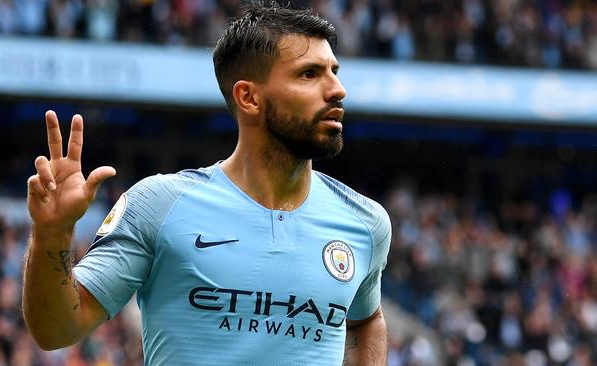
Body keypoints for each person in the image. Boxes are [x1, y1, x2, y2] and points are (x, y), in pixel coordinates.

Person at [22, 2, 392, 365]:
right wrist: (51, 233)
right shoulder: (160, 206)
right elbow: (56, 330)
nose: (337, 89)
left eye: (334, 70)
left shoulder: (364, 222)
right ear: (248, 97)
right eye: (309, 74)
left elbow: (366, 320)